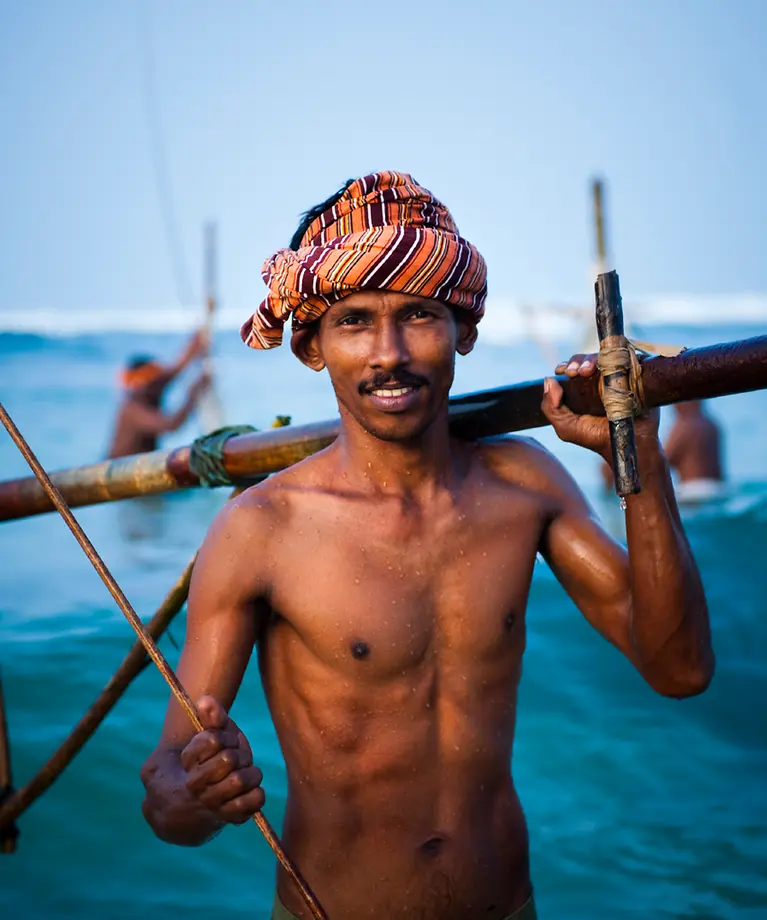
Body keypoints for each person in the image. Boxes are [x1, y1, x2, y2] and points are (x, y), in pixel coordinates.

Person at [140, 172, 714, 920]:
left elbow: (678, 670)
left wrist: (636, 458)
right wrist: (198, 796)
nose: (388, 353)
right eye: (353, 322)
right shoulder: (262, 526)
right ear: (311, 346)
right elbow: (167, 797)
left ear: (462, 333)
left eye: (417, 315)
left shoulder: (525, 485)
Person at [107, 330, 209, 458]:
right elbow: (171, 424)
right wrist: (193, 396)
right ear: (139, 385)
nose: (157, 386)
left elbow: (175, 369)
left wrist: (195, 343)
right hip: (122, 472)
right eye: (152, 383)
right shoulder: (130, 409)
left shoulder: (150, 389)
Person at [663, 400, 725, 501]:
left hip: (693, 493)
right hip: (719, 489)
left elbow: (663, 461)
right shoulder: (712, 424)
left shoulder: (684, 426)